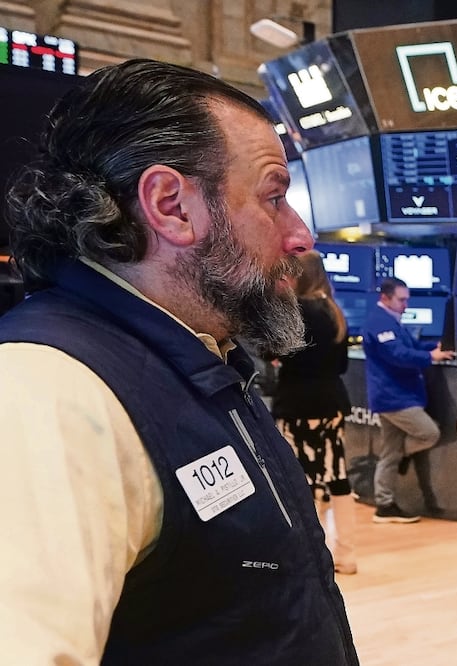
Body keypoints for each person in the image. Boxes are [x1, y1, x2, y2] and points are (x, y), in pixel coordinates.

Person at [0, 59, 358, 664]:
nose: (301, 236)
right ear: (171, 206)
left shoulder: (205, 356)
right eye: (274, 197)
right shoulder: (48, 392)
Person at [271, 249, 358, 575]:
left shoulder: (294, 311)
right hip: (331, 403)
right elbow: (342, 365)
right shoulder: (335, 312)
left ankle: (310, 556)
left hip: (297, 404)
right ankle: (346, 554)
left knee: (300, 480)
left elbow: (272, 352)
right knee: (337, 476)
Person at [362, 276, 455, 523]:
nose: (406, 305)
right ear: (385, 298)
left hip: (398, 395)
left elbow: (412, 345)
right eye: (401, 300)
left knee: (390, 452)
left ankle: (384, 504)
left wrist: (435, 347)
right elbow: (398, 355)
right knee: (429, 433)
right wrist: (431, 357)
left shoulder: (392, 321)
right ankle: (390, 487)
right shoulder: (379, 322)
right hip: (394, 398)